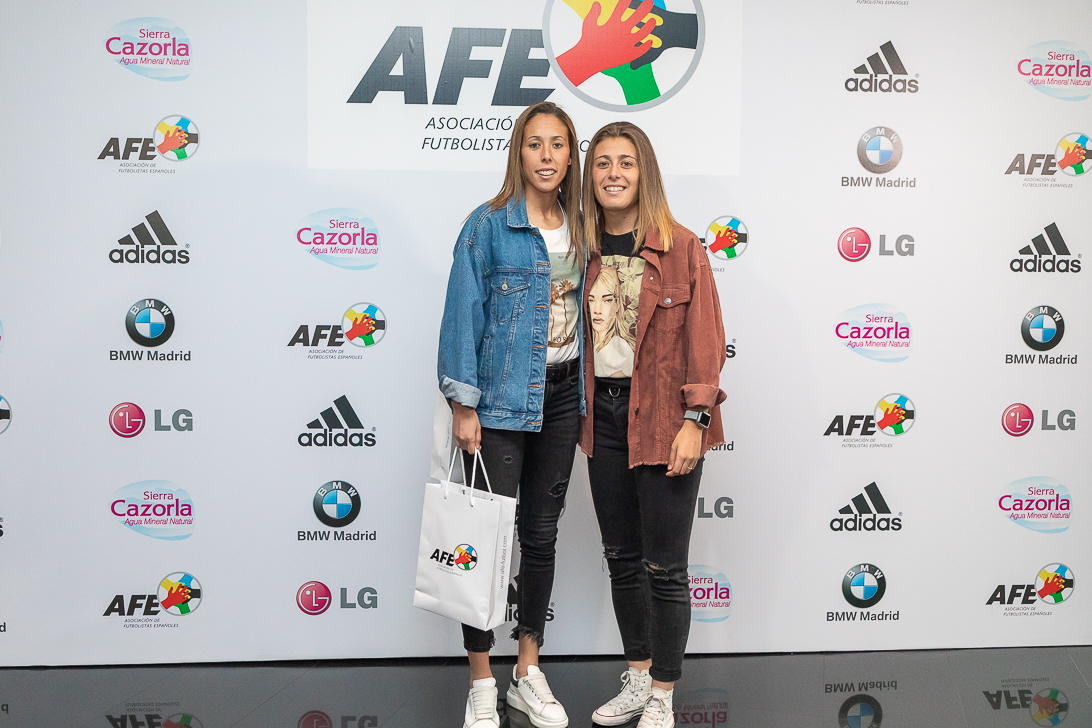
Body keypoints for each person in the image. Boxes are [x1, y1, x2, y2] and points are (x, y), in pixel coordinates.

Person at [438, 101, 585, 728]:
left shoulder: (582, 227)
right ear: (518, 153)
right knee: (485, 541)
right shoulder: (488, 225)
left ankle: (526, 671)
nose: (547, 156)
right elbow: (461, 315)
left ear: (570, 155)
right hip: (497, 402)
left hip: (562, 397)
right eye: (535, 144)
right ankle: (480, 680)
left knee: (541, 538)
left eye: (558, 144)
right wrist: (461, 403)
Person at [579, 122, 727, 728]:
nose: (614, 173)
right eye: (603, 163)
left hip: (666, 419)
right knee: (620, 556)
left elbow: (706, 341)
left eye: (627, 162)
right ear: (590, 176)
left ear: (646, 173)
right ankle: (637, 678)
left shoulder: (683, 247)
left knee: (664, 567)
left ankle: (663, 694)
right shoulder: (578, 251)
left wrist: (696, 418)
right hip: (603, 418)